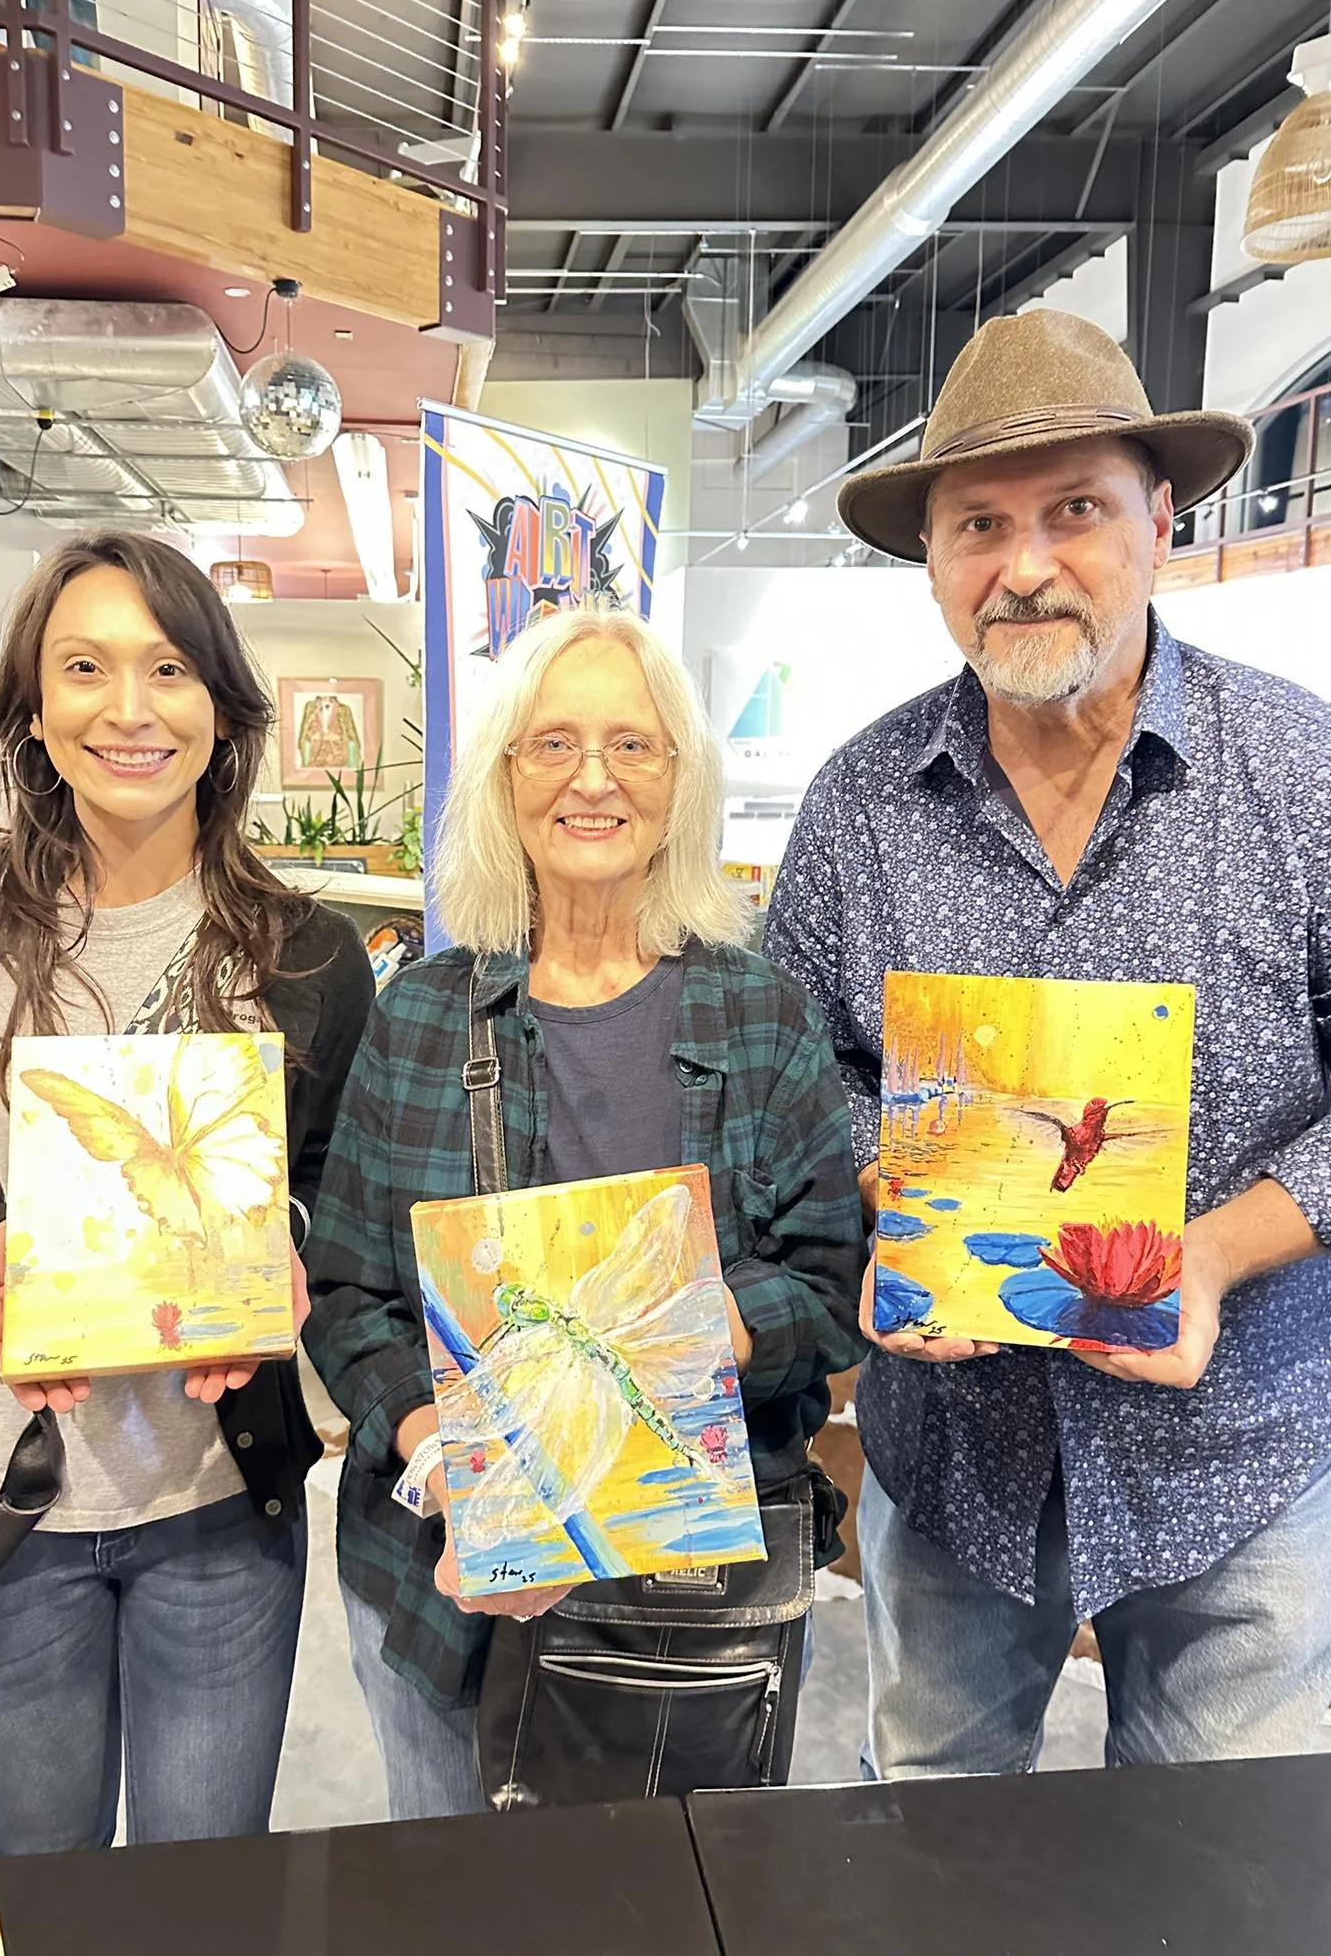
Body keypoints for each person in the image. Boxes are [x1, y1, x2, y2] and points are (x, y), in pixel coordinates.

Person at [763, 308, 1331, 1777]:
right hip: (958, 1452)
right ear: (934, 561)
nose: (1023, 565)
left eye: (1073, 511)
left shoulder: (1306, 775)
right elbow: (801, 1074)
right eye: (978, 525)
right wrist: (898, 1209)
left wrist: (1209, 1252)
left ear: (1160, 517)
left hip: (1241, 1452)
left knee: (1223, 1877)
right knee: (939, 1854)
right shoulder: (861, 805)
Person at [0, 531, 374, 1853]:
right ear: (33, 709)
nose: (129, 708)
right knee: (43, 1870)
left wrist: (279, 1255)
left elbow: (336, 1188)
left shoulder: (309, 958)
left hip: (224, 1513)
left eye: (168, 668)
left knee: (197, 1883)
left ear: (222, 712)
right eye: (86, 668)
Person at [305, 606, 867, 1821]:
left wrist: (721, 1322)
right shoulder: (422, 1016)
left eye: (634, 743)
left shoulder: (759, 1013)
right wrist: (428, 1445)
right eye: (551, 744)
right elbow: (349, 1291)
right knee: (460, 1900)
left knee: (669, 1904)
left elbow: (834, 1290)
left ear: (682, 778)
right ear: (506, 781)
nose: (593, 778)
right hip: (442, 1581)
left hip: (691, 1604)